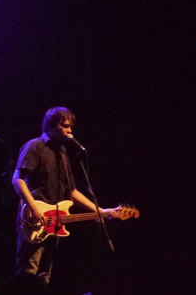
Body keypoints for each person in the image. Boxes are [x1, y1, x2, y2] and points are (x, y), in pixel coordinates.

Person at [11, 107, 117, 280]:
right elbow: (17, 179)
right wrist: (33, 207)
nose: (70, 131)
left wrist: (101, 211)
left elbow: (72, 192)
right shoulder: (35, 146)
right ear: (51, 126)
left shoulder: (63, 155)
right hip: (34, 219)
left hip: (55, 222)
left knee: (45, 275)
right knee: (28, 273)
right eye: (65, 126)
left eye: (70, 127)